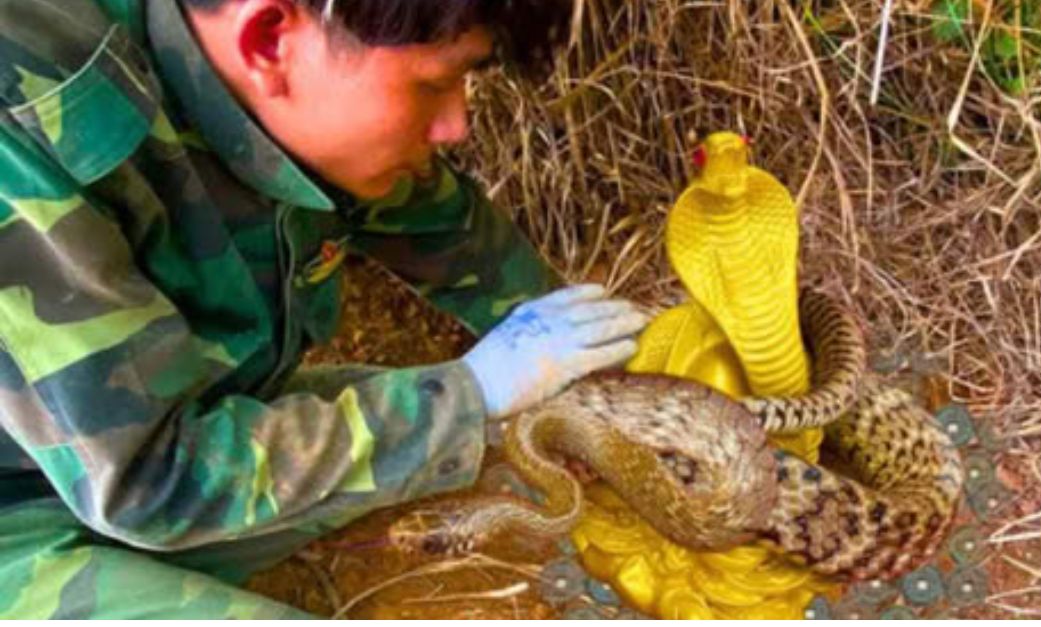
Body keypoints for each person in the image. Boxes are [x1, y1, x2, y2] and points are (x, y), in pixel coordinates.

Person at [0, 0, 647, 618]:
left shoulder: (291, 64)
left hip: (184, 428)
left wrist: (591, 366)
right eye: (434, 84)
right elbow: (152, 477)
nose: (457, 125)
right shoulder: (22, 123)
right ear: (268, 41)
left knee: (490, 446)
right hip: (30, 519)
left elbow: (440, 226)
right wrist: (467, 395)